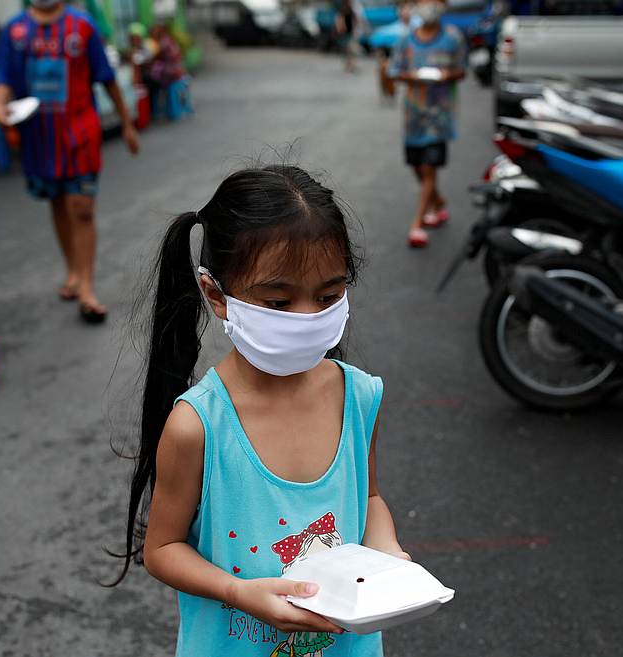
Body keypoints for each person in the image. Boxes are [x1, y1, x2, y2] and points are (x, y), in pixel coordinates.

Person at [111, 165, 407, 656]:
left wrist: (388, 554)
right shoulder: (197, 426)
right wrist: (237, 592)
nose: (308, 318)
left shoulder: (359, 397)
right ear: (215, 295)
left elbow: (369, 499)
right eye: (278, 300)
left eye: (329, 296)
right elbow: (163, 550)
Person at [0, 0, 140, 324]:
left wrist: (127, 124)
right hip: (38, 139)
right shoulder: (15, 31)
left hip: (80, 135)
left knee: (81, 207)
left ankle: (86, 287)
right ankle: (73, 268)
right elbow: (2, 79)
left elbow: (107, 78)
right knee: (57, 203)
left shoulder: (82, 27)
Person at [389, 0, 466, 248]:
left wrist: (446, 75)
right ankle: (439, 203)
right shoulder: (405, 41)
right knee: (418, 168)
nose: (428, 6)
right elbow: (394, 70)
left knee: (430, 168)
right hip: (413, 118)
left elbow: (462, 70)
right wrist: (409, 76)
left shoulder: (453, 38)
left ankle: (417, 225)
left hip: (439, 118)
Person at [336, 0, 361, 73]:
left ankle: (351, 65)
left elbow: (356, 20)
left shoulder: (350, 10)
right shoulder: (343, 10)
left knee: (350, 50)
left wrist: (355, 28)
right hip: (345, 33)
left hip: (349, 33)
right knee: (348, 50)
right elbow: (339, 20)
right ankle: (349, 65)